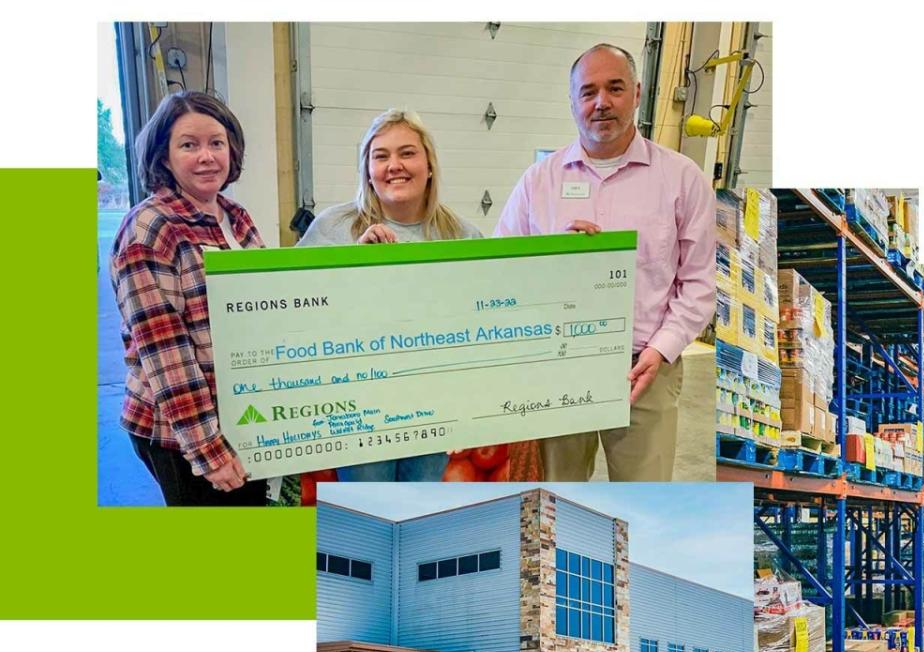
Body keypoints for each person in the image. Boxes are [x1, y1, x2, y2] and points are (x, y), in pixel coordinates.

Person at [494, 43, 716, 481]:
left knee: (645, 497)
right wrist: (554, 258)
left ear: (636, 92)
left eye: (614, 88)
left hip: (645, 367)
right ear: (573, 102)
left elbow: (698, 284)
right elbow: (504, 272)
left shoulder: (680, 178)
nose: (601, 103)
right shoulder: (539, 181)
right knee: (557, 494)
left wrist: (660, 351)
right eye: (588, 91)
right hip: (560, 365)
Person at [297, 109, 483, 482]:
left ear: (429, 165)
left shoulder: (462, 236)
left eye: (407, 153)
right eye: (380, 156)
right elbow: (297, 311)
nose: (394, 165)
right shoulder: (333, 228)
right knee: (367, 507)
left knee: (421, 504)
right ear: (367, 170)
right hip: (359, 412)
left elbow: (485, 321)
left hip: (434, 407)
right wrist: (354, 268)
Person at [110, 91, 266, 505]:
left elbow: (272, 301)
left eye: (216, 142)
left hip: (238, 416)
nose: (207, 156)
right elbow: (165, 353)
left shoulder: (235, 217)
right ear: (164, 156)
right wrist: (208, 450)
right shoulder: (150, 229)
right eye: (188, 145)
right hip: (181, 433)